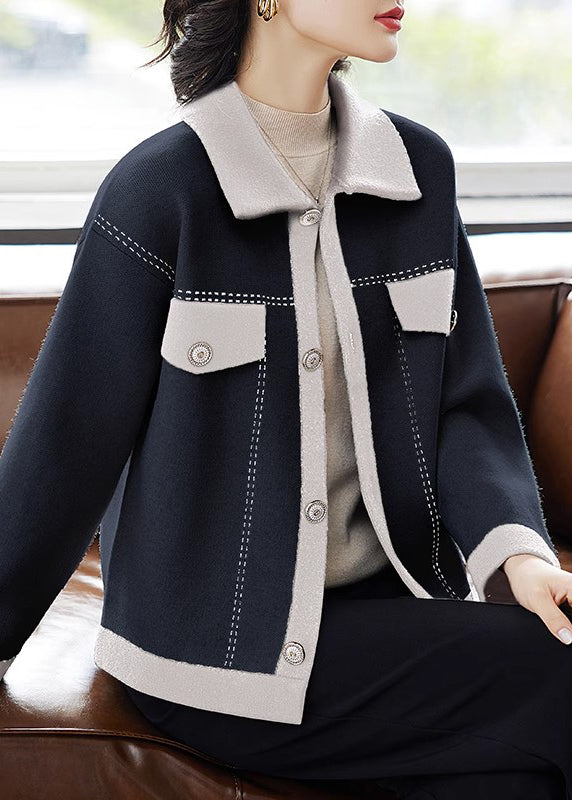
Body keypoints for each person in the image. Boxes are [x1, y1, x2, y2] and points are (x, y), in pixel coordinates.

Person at [1, 1, 572, 798]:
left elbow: (463, 408)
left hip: (390, 608)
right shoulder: (159, 191)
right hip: (214, 652)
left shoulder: (417, 171)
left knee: (514, 780)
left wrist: (520, 558)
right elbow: (65, 448)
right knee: (554, 673)